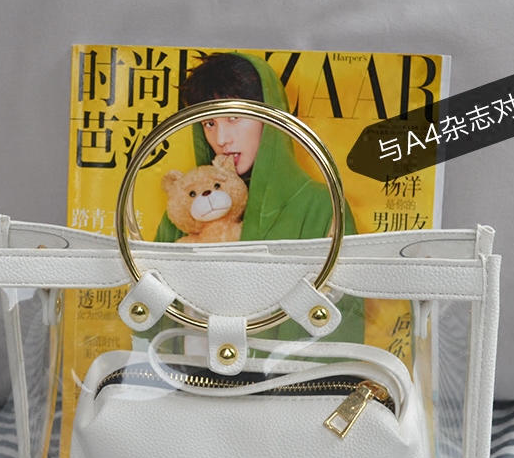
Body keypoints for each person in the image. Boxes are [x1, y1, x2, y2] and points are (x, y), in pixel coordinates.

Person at [155, 52, 364, 344]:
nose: (221, 139)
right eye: (209, 123)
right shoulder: (186, 208)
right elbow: (154, 327)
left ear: (270, 115)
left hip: (290, 373)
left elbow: (342, 327)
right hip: (186, 373)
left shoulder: (321, 206)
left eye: (234, 117)